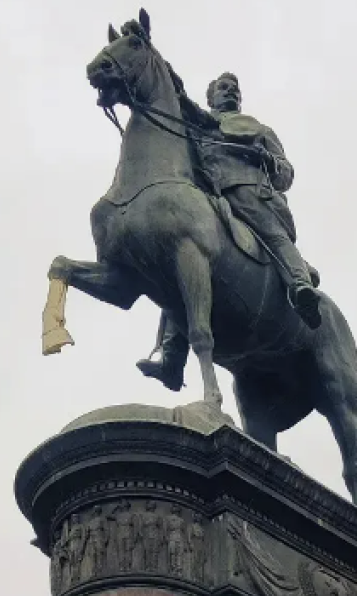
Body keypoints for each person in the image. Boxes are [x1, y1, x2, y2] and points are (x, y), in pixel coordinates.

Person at [137, 72, 323, 391]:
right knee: (180, 265)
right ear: (211, 97)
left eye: (235, 88)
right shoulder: (201, 122)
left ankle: (300, 285)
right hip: (209, 197)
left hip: (246, 191)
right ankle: (172, 360)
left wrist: (269, 161)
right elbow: (180, 103)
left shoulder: (258, 129)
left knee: (272, 235)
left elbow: (286, 173)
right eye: (223, 87)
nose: (230, 92)